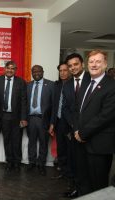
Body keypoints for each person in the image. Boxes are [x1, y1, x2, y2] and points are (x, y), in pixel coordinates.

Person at [74, 50, 115, 195]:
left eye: (98, 61)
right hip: (81, 143)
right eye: (91, 61)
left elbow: (106, 116)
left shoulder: (111, 86)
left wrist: (83, 133)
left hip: (99, 145)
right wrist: (76, 130)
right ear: (86, 65)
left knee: (98, 185)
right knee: (83, 181)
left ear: (105, 64)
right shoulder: (86, 83)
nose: (94, 64)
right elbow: (79, 110)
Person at [62, 53, 90, 198]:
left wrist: (83, 127)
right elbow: (65, 108)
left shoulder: (92, 80)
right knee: (76, 162)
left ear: (82, 64)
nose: (73, 68)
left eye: (76, 64)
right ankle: (78, 189)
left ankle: (89, 192)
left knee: (89, 164)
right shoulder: (66, 85)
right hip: (74, 130)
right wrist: (74, 125)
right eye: (70, 65)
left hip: (91, 131)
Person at [0, 61, 27, 172]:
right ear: (5, 68)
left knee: (17, 140)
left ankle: (17, 162)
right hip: (3, 116)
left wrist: (23, 118)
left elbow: (23, 101)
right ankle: (9, 161)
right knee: (6, 140)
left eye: (13, 68)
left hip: (17, 117)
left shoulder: (21, 82)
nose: (10, 70)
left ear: (15, 70)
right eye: (8, 68)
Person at [26, 65, 54, 176]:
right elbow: (24, 103)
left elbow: (53, 105)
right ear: (31, 73)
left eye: (38, 71)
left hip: (44, 119)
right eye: (34, 71)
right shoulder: (28, 85)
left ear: (43, 72)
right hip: (31, 119)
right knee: (31, 142)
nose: (36, 73)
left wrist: (52, 122)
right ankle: (32, 162)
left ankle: (41, 164)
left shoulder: (51, 85)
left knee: (43, 142)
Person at [50, 63, 71, 179]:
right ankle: (63, 171)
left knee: (69, 149)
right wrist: (52, 123)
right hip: (58, 121)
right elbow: (54, 106)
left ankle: (69, 173)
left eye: (65, 70)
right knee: (61, 148)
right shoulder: (57, 85)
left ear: (69, 71)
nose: (62, 73)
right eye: (60, 71)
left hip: (69, 123)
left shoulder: (74, 85)